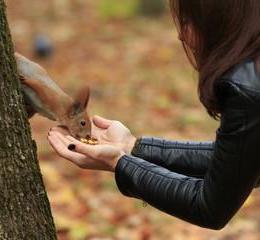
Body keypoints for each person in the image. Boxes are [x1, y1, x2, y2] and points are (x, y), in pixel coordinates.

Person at [47, 0, 260, 230]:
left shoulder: (244, 87)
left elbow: (211, 207)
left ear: (218, 20)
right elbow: (238, 164)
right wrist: (132, 148)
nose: (181, 35)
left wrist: (118, 163)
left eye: (188, 23)